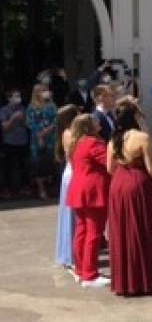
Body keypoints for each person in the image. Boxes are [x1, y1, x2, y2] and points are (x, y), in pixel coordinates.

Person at [105, 98, 152, 296]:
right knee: (143, 229)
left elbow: (109, 168)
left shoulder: (113, 139)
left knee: (122, 231)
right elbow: (151, 168)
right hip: (138, 183)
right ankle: (146, 280)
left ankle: (125, 281)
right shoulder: (143, 138)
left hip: (118, 184)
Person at [67, 114, 110, 288]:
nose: (98, 122)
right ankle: (90, 274)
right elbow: (109, 162)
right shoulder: (93, 142)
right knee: (94, 232)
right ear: (88, 126)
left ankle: (81, 269)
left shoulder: (76, 143)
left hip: (78, 190)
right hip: (93, 192)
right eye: (94, 121)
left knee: (82, 231)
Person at [54, 104, 80, 272]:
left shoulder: (68, 133)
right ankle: (70, 254)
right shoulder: (70, 134)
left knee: (71, 215)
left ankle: (69, 253)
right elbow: (74, 156)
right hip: (73, 174)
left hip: (70, 173)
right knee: (71, 215)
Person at [27, 83, 58, 200]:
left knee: (51, 163)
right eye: (42, 91)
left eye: (46, 90)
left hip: (51, 138)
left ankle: (52, 188)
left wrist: (48, 130)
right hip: (37, 139)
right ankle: (42, 190)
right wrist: (40, 135)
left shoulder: (52, 106)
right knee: (38, 165)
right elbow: (30, 123)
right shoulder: (32, 107)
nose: (45, 92)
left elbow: (56, 119)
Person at [0, 88, 29, 199]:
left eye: (19, 96)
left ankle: (24, 187)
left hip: (23, 142)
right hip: (9, 142)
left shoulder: (23, 109)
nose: (18, 98)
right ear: (9, 98)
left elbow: (28, 125)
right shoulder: (4, 110)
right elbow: (5, 128)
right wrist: (13, 118)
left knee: (23, 166)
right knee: (8, 167)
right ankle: (6, 189)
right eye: (15, 96)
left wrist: (22, 120)